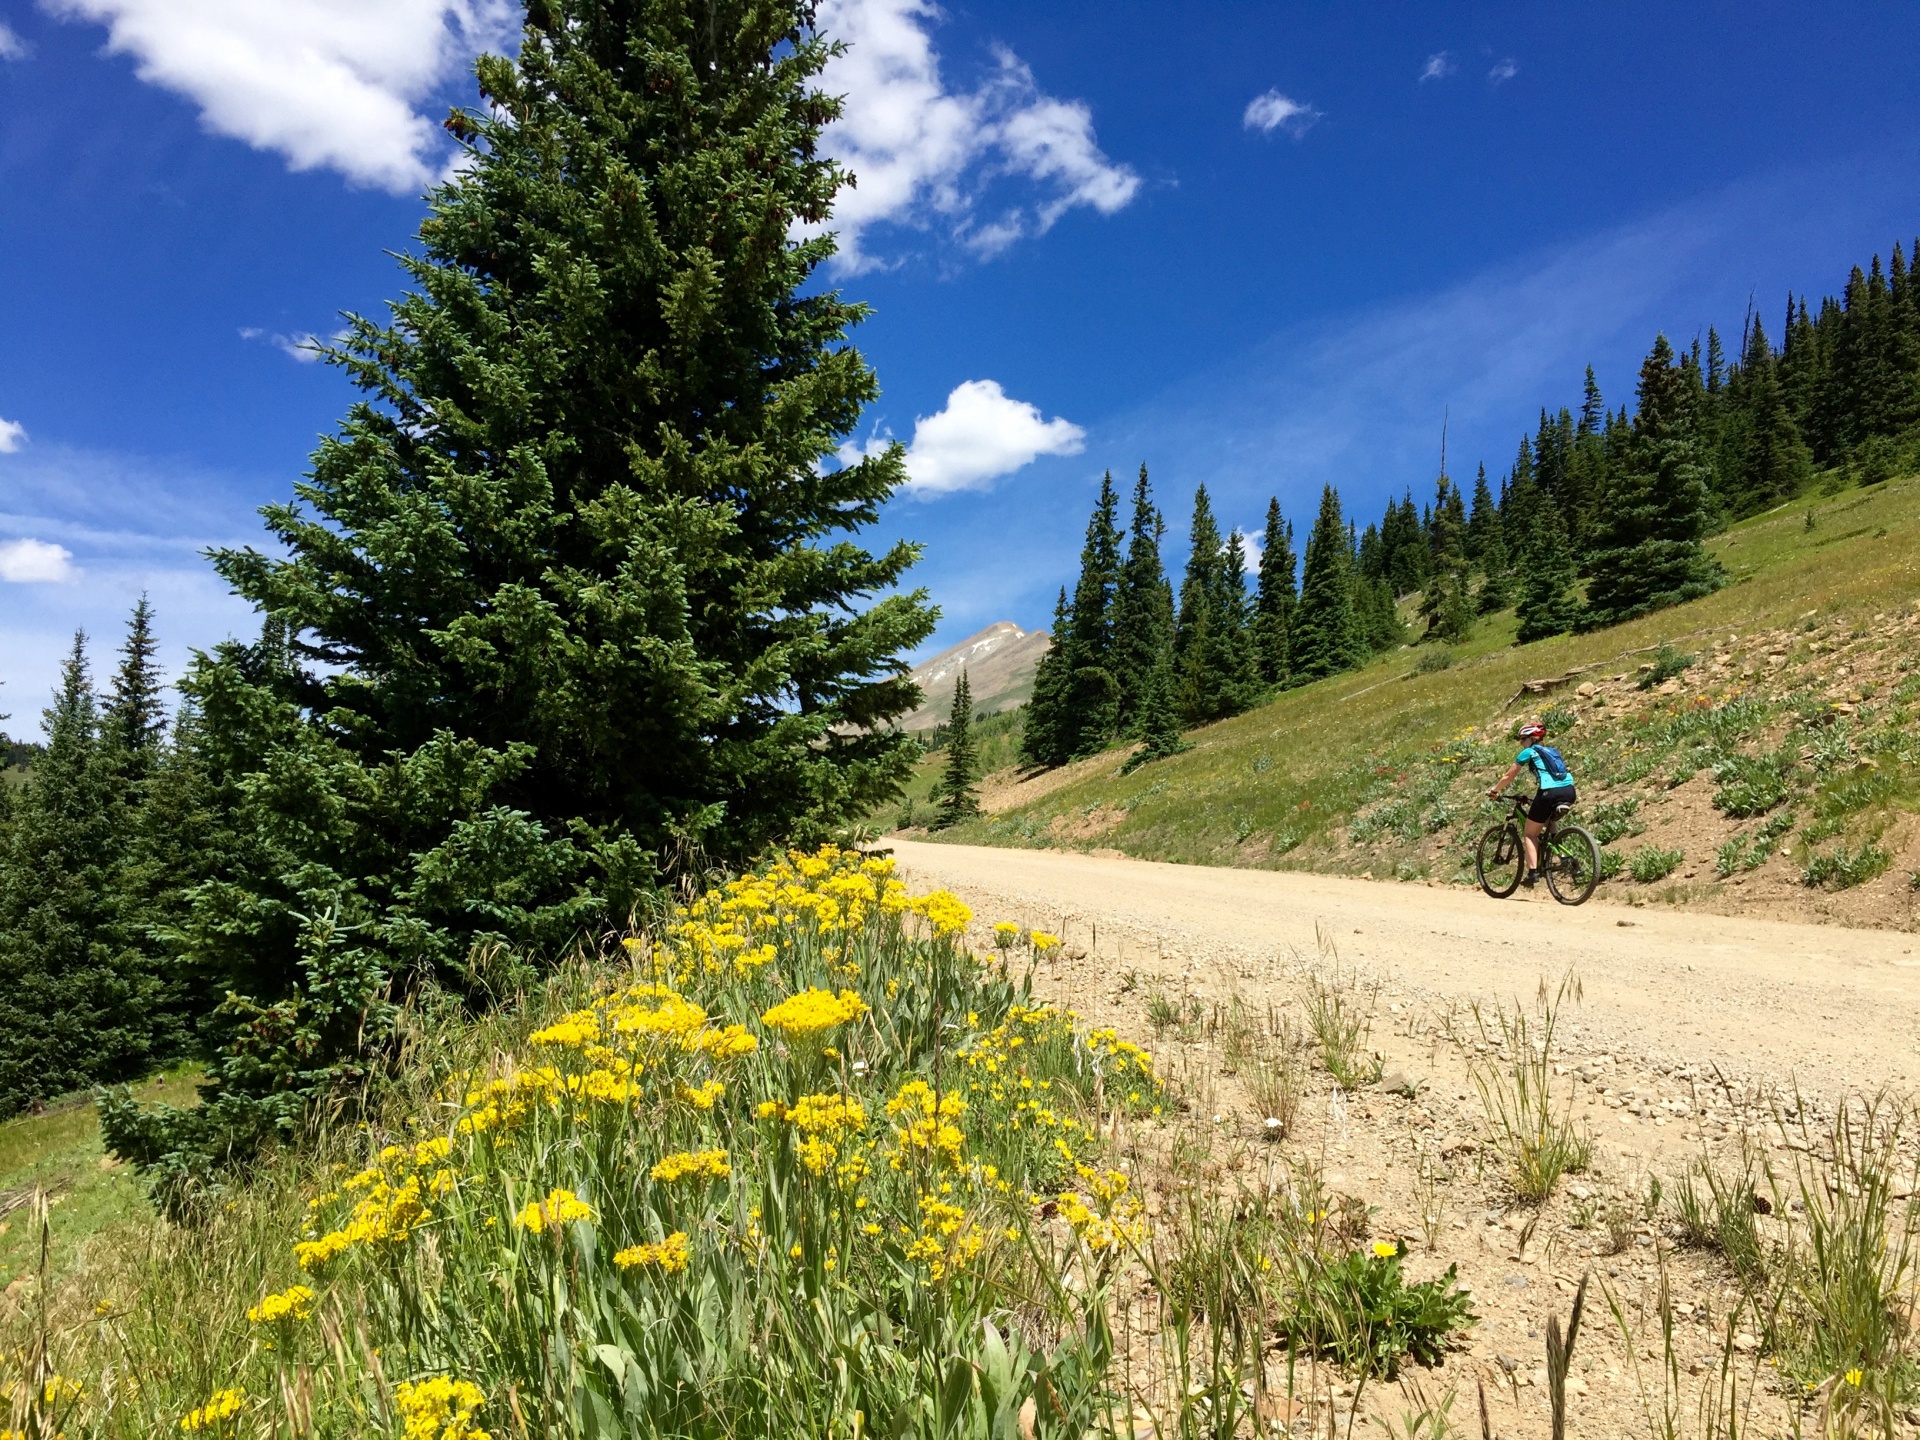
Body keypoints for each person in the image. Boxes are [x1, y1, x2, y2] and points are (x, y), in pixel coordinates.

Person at [1487, 720, 1577, 888]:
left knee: (1530, 833)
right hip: (1569, 791)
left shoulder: (1529, 752)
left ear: (1531, 739)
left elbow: (1508, 776)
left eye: (1522, 739)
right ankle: (1560, 852)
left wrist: (1495, 790)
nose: (1521, 743)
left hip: (1548, 792)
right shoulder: (1553, 751)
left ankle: (1533, 872)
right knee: (1548, 820)